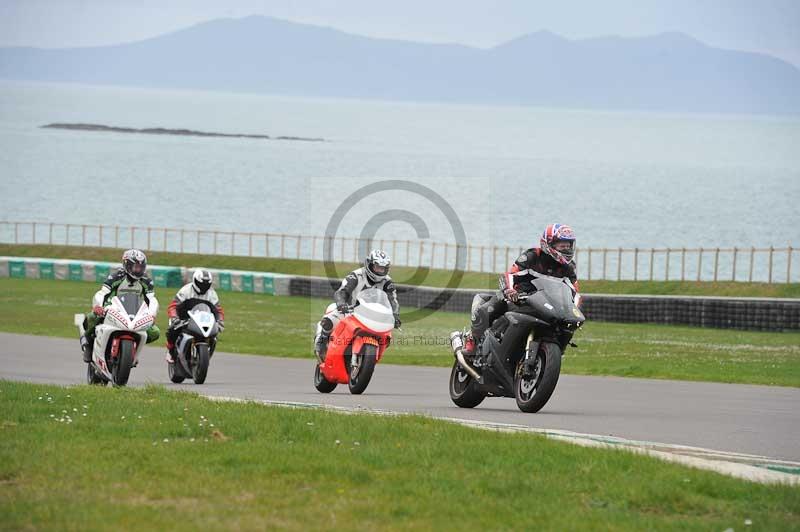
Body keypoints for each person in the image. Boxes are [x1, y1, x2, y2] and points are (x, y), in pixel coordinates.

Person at [462, 223, 579, 355]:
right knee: (489, 309)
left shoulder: (569, 267)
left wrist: (574, 308)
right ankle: (471, 340)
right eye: (562, 245)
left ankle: (555, 351)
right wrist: (510, 290)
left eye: (568, 245)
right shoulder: (532, 256)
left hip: (546, 304)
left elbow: (574, 291)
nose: (566, 248)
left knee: (566, 326)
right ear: (549, 244)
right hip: (520, 298)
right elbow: (511, 274)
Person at [314, 249, 401, 359]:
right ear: (369, 264)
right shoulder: (356, 275)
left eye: (383, 268)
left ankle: (369, 358)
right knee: (329, 321)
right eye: (377, 267)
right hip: (350, 311)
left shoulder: (387, 282)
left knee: (387, 338)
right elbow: (342, 291)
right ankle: (321, 341)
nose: (380, 271)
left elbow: (393, 300)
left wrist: (395, 315)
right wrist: (341, 304)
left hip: (373, 315)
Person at [80, 249, 160, 362]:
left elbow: (152, 300)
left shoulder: (146, 281)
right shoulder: (116, 277)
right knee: (92, 317)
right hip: (112, 308)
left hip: (135, 312)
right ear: (127, 265)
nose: (139, 270)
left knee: (155, 332)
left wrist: (152, 314)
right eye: (136, 267)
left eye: (141, 267)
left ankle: (133, 348)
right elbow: (102, 292)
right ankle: (88, 343)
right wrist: (98, 306)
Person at [165, 268, 225, 363]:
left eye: (206, 284)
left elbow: (218, 310)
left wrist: (220, 321)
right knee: (172, 330)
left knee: (214, 334)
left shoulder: (212, 294)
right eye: (202, 284)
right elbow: (173, 306)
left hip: (204, 320)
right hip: (184, 318)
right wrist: (174, 317)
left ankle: (206, 354)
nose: (204, 286)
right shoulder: (185, 290)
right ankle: (171, 351)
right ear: (195, 281)